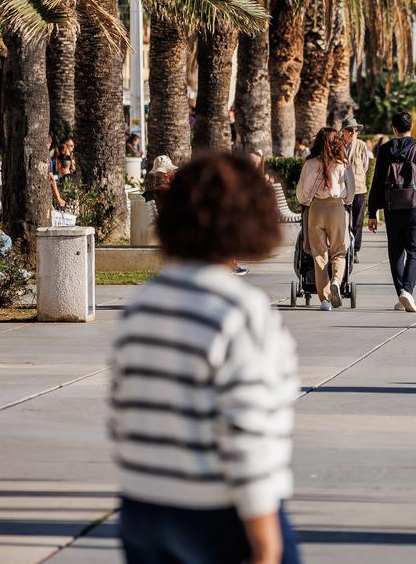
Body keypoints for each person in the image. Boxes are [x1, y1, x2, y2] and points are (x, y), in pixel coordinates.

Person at [109, 153, 299, 564]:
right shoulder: (240, 310)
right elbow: (247, 429)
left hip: (144, 508)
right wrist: (265, 540)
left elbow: (126, 413)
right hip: (219, 512)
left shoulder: (142, 305)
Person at [367, 112, 416, 313]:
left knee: (395, 252)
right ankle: (407, 291)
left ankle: (401, 293)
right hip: (415, 207)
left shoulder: (385, 150)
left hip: (392, 208)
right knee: (414, 250)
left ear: (394, 128)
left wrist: (372, 212)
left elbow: (378, 182)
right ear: (411, 127)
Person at [296, 128, 355, 311]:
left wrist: (308, 201)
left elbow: (302, 194)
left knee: (319, 255)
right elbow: (351, 192)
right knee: (339, 250)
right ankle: (337, 280)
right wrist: (345, 200)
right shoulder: (343, 164)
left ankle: (325, 299)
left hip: (316, 209)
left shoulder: (310, 164)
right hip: (336, 207)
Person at [341, 119, 371, 256]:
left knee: (357, 221)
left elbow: (365, 166)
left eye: (355, 130)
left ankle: (355, 250)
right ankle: (344, 247)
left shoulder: (362, 145)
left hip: (358, 188)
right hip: (342, 190)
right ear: (344, 132)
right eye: (350, 130)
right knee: (342, 220)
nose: (353, 132)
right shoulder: (337, 145)